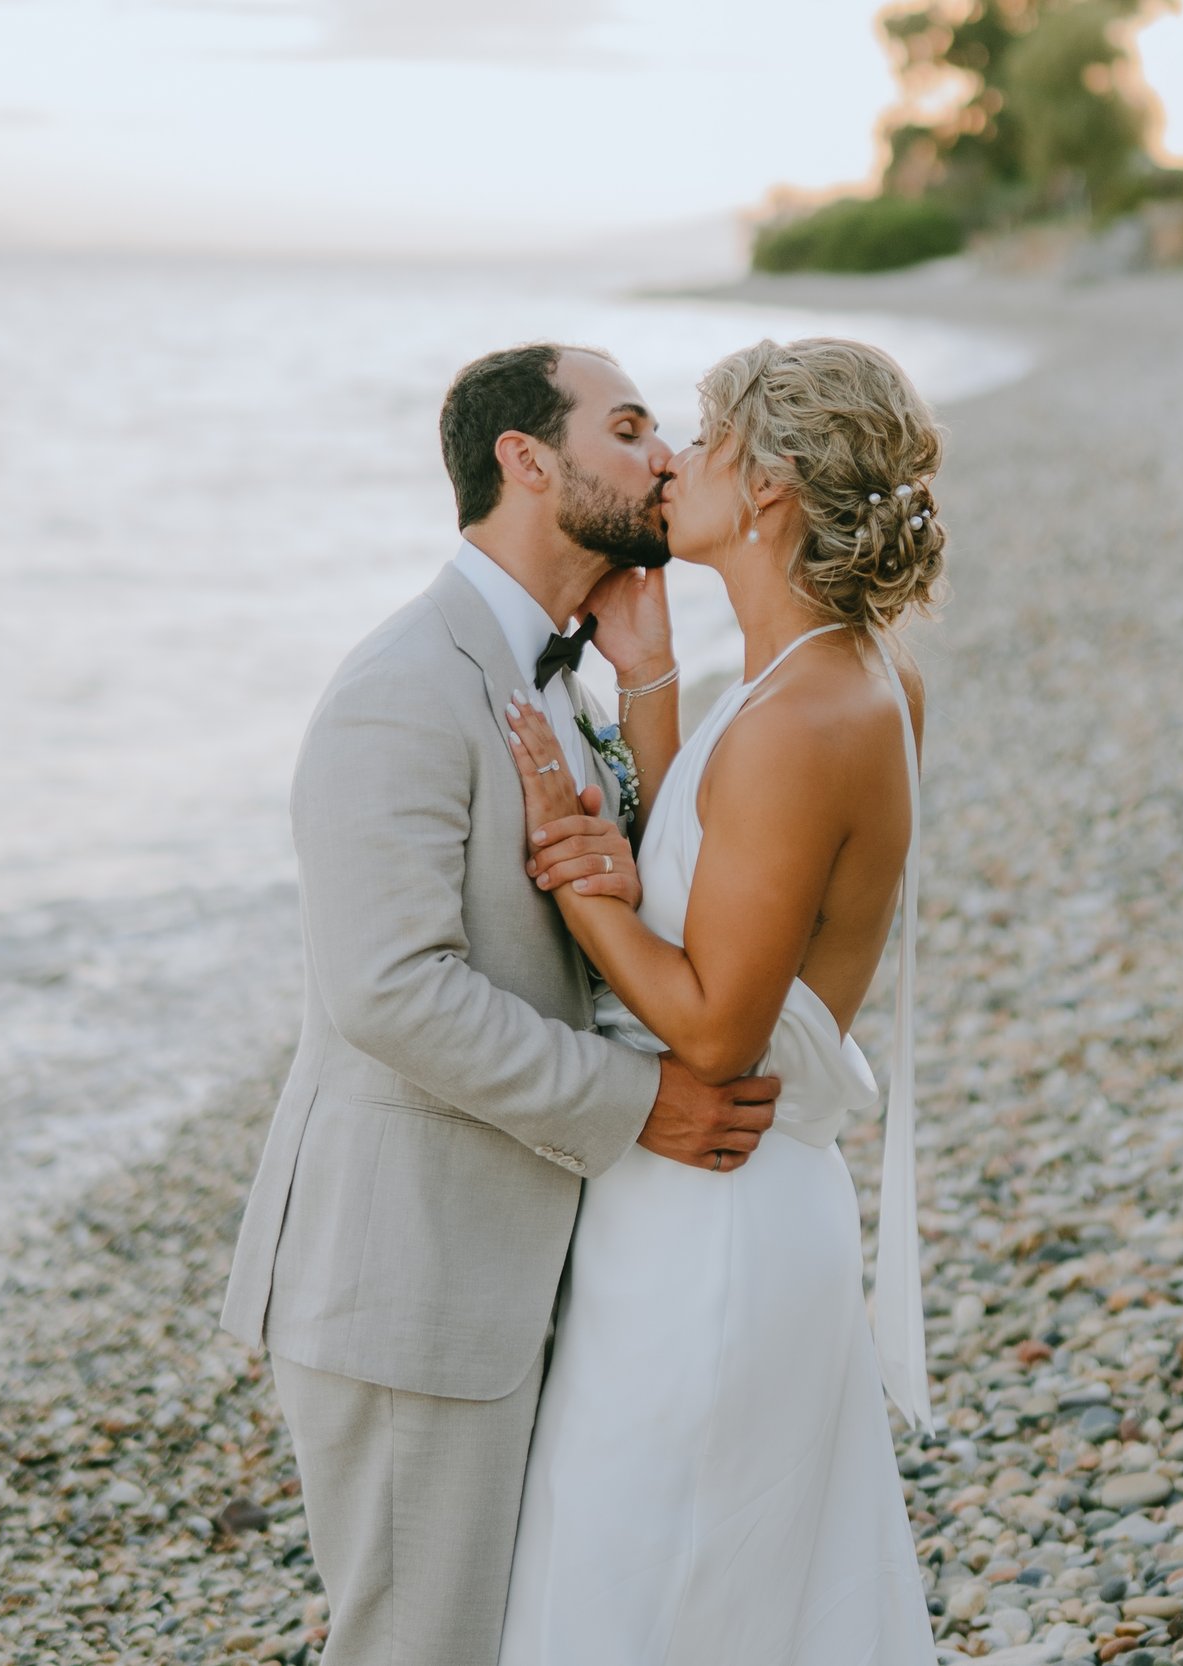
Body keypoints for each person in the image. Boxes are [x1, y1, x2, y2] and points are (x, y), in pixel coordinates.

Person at [218, 341, 783, 1666]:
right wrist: (646, 1102)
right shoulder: (402, 689)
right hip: (407, 1273)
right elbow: (389, 990)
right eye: (632, 426)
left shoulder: (562, 677)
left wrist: (648, 690)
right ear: (524, 461)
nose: (663, 459)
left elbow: (641, 925)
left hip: (516, 1261)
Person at [496, 336, 943, 1665]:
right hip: (732, 1206)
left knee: (649, 1586)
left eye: (704, 434)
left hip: (713, 1226)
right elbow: (732, 866)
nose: (674, 460)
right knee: (715, 1595)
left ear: (772, 492)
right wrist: (648, 686)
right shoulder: (834, 677)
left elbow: (712, 1023)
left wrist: (578, 877)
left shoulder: (808, 719)